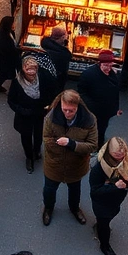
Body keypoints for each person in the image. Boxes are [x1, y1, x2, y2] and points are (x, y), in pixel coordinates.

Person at [41, 90, 99, 226]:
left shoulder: (89, 120)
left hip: (76, 165)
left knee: (75, 190)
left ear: (77, 106)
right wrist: (64, 148)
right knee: (49, 190)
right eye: (65, 110)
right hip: (54, 164)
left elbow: (92, 145)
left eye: (71, 111)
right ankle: (48, 209)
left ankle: (74, 208)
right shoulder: (50, 118)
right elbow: (47, 140)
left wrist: (71, 144)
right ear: (61, 104)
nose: (67, 114)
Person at [88, 137, 128, 255]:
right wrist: (114, 187)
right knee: (104, 222)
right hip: (102, 204)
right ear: (109, 153)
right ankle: (104, 245)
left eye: (122, 156)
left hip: (117, 200)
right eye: (117, 156)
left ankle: (100, 226)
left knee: (111, 215)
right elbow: (95, 193)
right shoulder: (98, 169)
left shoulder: (127, 156)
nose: (120, 160)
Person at [9, 55, 52, 173]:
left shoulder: (43, 77)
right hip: (24, 116)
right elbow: (11, 101)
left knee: (38, 134)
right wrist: (22, 111)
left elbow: (50, 91)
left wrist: (48, 105)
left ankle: (37, 151)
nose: (32, 72)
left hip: (39, 113)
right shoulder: (17, 82)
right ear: (23, 69)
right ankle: (29, 157)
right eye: (28, 69)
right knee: (26, 136)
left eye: (34, 69)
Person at [75, 50, 121, 147]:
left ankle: (98, 145)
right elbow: (82, 92)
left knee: (102, 129)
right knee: (92, 129)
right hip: (94, 110)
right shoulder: (88, 75)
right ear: (99, 63)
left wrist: (115, 109)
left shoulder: (112, 74)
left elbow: (115, 93)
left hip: (106, 111)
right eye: (106, 66)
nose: (108, 68)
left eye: (110, 65)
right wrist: (91, 106)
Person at [0, 15, 21, 93]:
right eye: (13, 23)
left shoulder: (6, 32)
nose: (14, 24)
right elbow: (11, 53)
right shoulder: (4, 40)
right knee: (4, 75)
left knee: (4, 75)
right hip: (4, 63)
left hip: (3, 61)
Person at [41, 26, 72, 92]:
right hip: (55, 83)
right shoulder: (62, 54)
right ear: (63, 37)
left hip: (44, 81)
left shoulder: (45, 44)